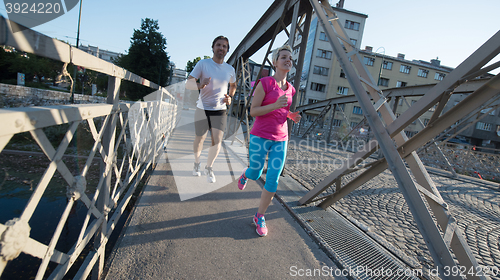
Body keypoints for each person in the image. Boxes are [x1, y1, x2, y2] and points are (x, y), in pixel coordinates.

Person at [237, 45, 301, 237]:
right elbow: (253, 111)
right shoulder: (265, 83)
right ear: (275, 62)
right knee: (256, 173)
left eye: (290, 58)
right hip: (260, 135)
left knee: (273, 179)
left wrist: (290, 115)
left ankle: (259, 216)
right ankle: (246, 174)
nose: (288, 60)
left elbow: (281, 109)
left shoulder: (291, 89)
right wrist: (274, 105)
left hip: (281, 138)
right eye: (283, 57)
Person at [187, 36, 237, 183]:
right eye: (218, 45)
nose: (221, 48)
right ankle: (197, 164)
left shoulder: (230, 69)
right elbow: (188, 83)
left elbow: (233, 85)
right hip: (202, 108)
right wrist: (199, 84)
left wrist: (230, 96)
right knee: (200, 138)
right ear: (213, 47)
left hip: (220, 109)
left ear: (227, 50)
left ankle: (209, 167)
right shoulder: (203, 64)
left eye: (224, 46)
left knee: (217, 141)